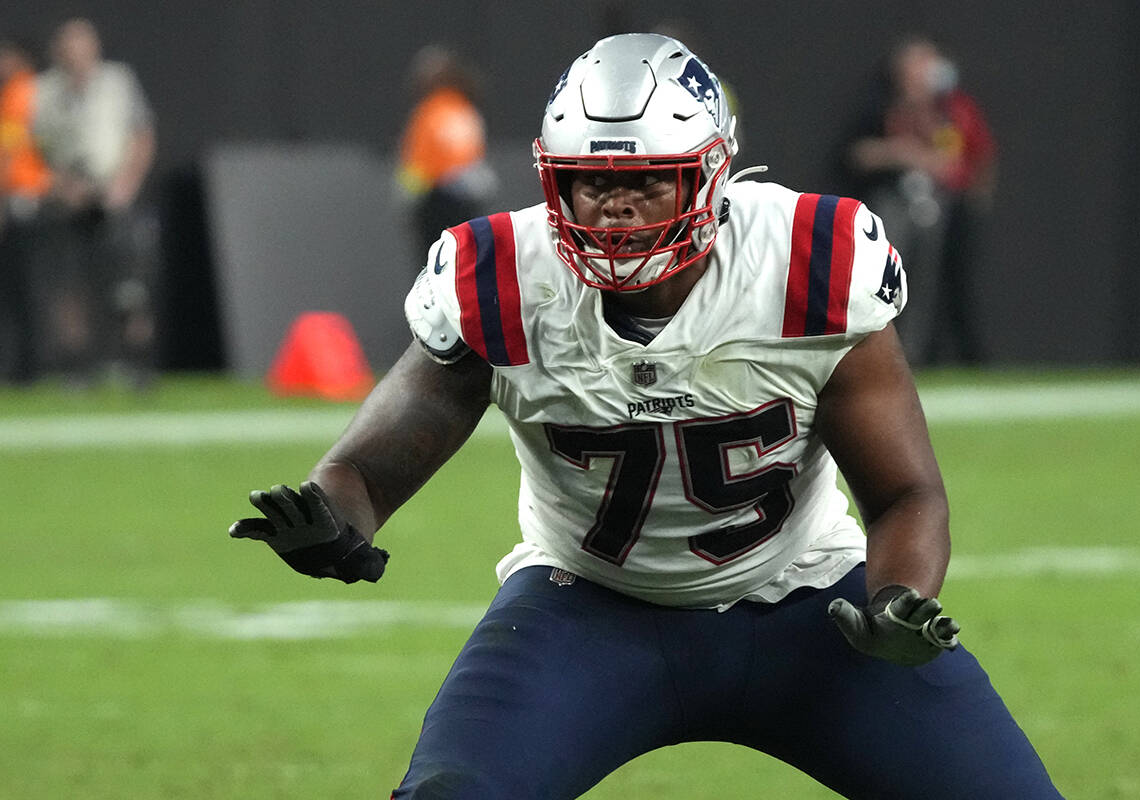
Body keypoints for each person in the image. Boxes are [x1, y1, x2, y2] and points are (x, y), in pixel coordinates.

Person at [231, 34, 1060, 799]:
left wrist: (896, 600)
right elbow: (368, 472)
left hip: (811, 607)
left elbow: (907, 494)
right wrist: (332, 520)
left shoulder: (809, 259)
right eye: (590, 180)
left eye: (644, 179)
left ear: (711, 177)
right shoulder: (505, 278)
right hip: (587, 610)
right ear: (554, 178)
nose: (614, 208)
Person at [844, 37, 996, 366]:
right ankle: (882, 355)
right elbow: (855, 154)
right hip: (892, 207)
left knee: (938, 288)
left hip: (944, 211)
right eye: (917, 64)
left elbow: (972, 158)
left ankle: (931, 356)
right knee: (886, 280)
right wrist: (899, 154)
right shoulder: (880, 107)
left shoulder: (953, 109)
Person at [31, 17, 157, 386]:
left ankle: (136, 365)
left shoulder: (117, 82)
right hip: (67, 202)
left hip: (116, 199)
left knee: (131, 287)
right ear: (58, 51)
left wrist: (125, 184)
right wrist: (60, 186)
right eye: (70, 46)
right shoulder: (41, 91)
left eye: (84, 45)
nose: (78, 54)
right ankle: (79, 368)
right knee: (71, 288)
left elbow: (142, 134)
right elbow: (29, 150)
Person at [393, 44, 496, 269]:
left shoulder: (429, 112)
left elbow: (416, 164)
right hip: (466, 205)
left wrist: (409, 198)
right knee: (464, 265)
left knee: (431, 268)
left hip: (433, 203)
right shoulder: (467, 110)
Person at [0, 36, 51, 384]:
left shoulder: (24, 90)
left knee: (28, 289)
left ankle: (30, 369)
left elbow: (9, 152)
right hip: (24, 200)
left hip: (28, 200)